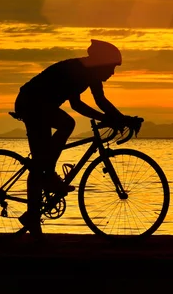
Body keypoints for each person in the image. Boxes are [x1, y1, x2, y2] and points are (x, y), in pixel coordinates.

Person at [13, 39, 127, 236]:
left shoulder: (91, 73)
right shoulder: (78, 70)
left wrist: (123, 119)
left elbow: (101, 101)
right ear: (101, 62)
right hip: (30, 103)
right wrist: (108, 119)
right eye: (111, 67)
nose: (112, 73)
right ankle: (47, 178)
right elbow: (77, 105)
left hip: (41, 105)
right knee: (65, 127)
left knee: (41, 160)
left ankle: (34, 210)